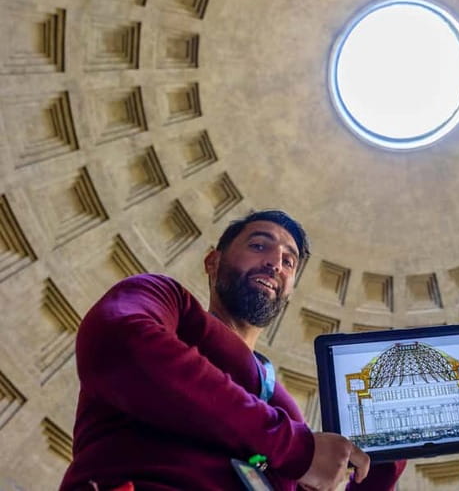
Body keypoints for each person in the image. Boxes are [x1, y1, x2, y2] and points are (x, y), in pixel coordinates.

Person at [60, 210, 406, 490]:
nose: (275, 263)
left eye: (289, 262)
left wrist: (384, 459)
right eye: (259, 246)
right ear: (213, 261)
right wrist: (293, 447)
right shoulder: (168, 302)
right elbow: (121, 343)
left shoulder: (289, 414)